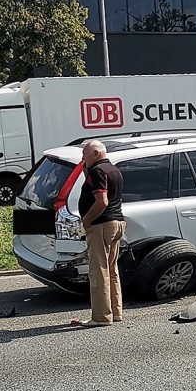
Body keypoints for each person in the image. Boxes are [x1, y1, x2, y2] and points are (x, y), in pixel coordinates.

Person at [74, 140, 126, 328]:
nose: (82, 159)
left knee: (98, 272)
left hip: (101, 225)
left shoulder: (98, 171)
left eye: (84, 155)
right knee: (112, 270)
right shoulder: (113, 169)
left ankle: (101, 317)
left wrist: (86, 221)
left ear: (96, 154)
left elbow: (102, 202)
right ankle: (116, 311)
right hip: (117, 223)